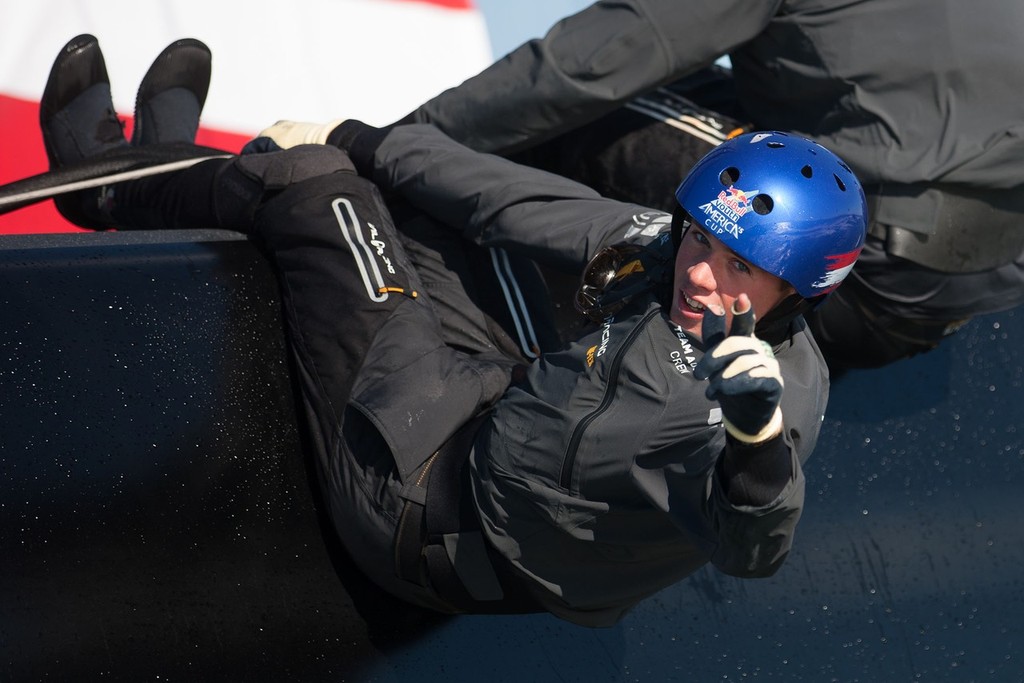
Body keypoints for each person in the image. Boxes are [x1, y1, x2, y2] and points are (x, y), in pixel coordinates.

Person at [38, 35, 866, 627]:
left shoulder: (753, 404)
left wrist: (755, 444)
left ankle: (105, 190)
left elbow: (753, 542)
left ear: (796, 292)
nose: (699, 273)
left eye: (738, 269)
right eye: (700, 238)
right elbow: (519, 202)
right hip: (497, 406)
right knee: (393, 190)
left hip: (421, 504)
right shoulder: (675, 252)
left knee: (316, 187)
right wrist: (371, 139)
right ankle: (170, 168)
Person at [272, 0, 1024, 371]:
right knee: (707, 90)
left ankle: (506, 354)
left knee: (589, 113)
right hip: (982, 281)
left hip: (861, 277)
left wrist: (376, 145)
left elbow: (579, 70)